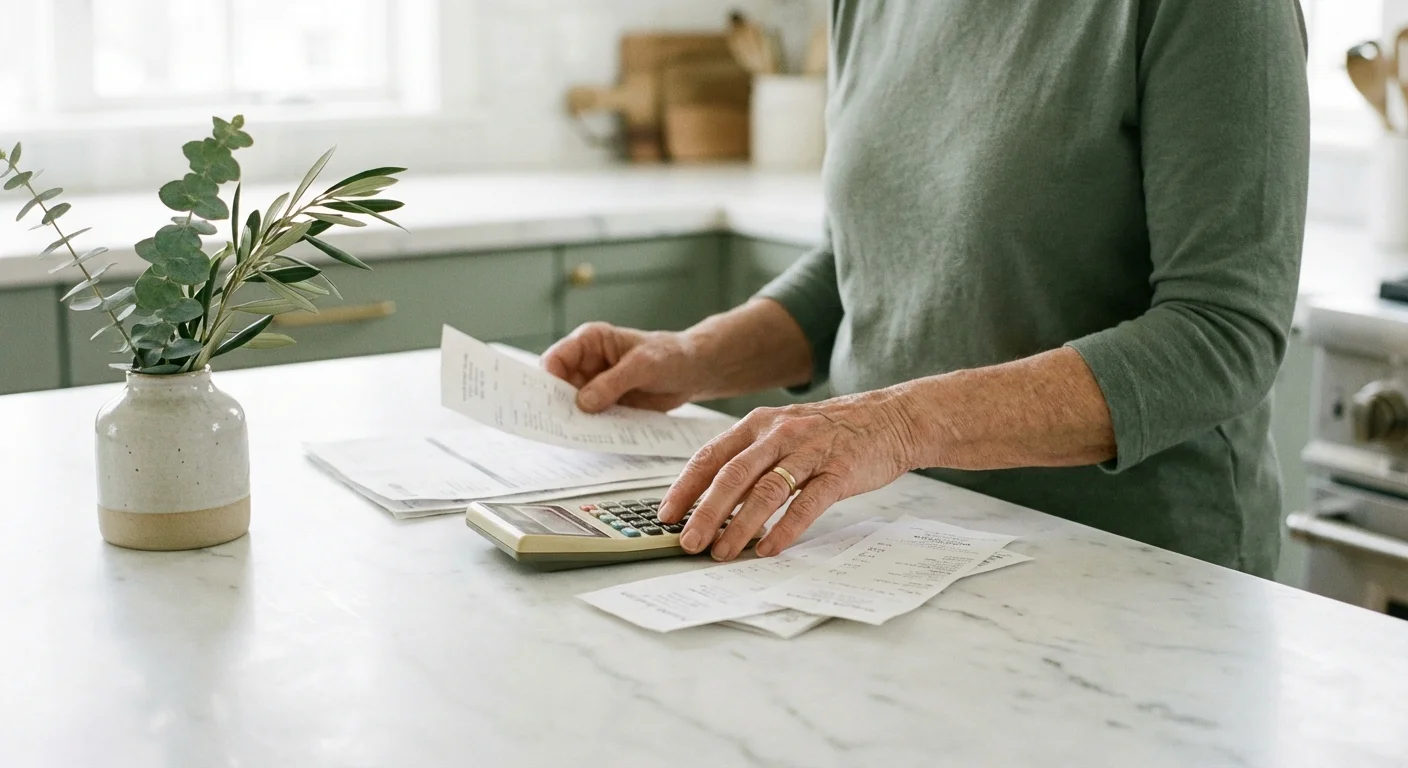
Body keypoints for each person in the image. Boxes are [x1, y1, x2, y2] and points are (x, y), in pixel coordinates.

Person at [543, 0, 1310, 576]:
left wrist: (896, 425)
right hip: (890, 550)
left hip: (1128, 576)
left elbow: (1222, 334)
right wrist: (694, 356)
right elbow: (864, 259)